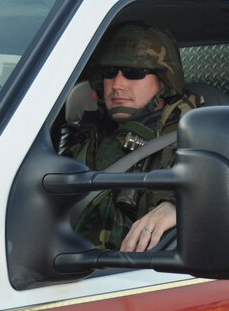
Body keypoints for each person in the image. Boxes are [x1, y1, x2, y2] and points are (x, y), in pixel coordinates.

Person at [60, 22, 202, 253]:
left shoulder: (195, 139)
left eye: (133, 73)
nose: (117, 85)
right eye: (109, 73)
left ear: (164, 82)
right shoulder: (85, 135)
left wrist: (179, 206)